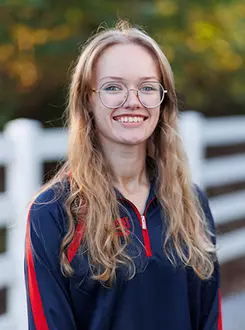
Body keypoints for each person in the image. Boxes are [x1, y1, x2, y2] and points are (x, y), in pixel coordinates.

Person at [24, 20, 222, 330]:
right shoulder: (52, 213)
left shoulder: (191, 202)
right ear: (87, 98)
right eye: (113, 87)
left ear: (163, 99)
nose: (133, 101)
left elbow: (210, 318)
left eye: (147, 87)